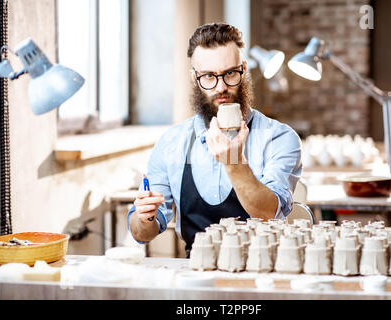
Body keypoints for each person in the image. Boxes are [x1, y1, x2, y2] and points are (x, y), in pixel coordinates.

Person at [128, 23, 302, 257]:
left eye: (230, 73)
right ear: (195, 78)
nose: (221, 87)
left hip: (263, 271)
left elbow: (268, 213)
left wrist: (234, 162)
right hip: (196, 270)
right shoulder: (173, 143)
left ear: (244, 70)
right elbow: (142, 233)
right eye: (209, 76)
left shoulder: (279, 138)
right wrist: (144, 216)